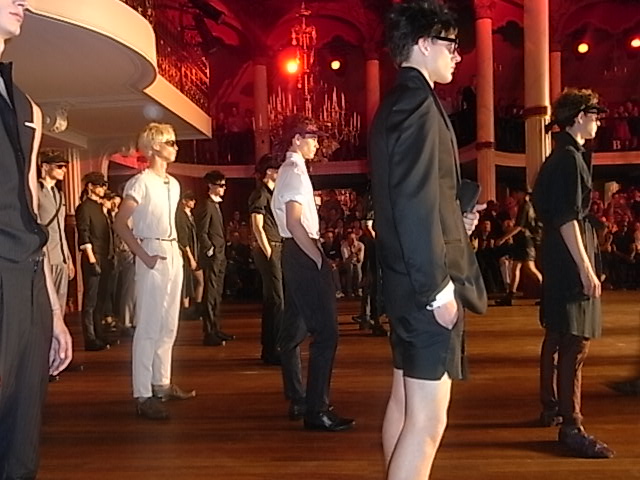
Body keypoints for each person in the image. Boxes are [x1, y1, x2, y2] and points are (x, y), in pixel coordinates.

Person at [369, 1, 487, 478]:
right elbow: (413, 205)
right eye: (450, 44)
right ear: (422, 43)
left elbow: (412, 197)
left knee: (404, 403)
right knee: (427, 420)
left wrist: (456, 222)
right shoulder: (418, 105)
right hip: (424, 286)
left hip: (403, 279)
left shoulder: (398, 102)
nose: (457, 55)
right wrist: (438, 292)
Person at [0, 1, 73, 476]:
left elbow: (31, 214)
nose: (21, 2)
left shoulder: (26, 105)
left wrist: (53, 311)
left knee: (21, 442)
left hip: (26, 283)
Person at [532, 88, 614, 458]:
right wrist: (586, 268)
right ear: (579, 117)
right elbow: (568, 219)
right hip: (568, 257)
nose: (598, 122)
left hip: (557, 254)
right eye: (594, 115)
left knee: (558, 335)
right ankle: (572, 425)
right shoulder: (568, 160)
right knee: (575, 342)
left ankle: (553, 407)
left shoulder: (559, 157)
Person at [272, 114, 355, 431]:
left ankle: (303, 400)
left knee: (295, 330)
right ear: (297, 139)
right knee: (326, 333)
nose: (317, 144)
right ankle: (316, 409)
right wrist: (318, 259)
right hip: (302, 251)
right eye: (313, 138)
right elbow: (294, 222)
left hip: (295, 252)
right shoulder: (294, 171)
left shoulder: (290, 170)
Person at [114, 122, 195, 421]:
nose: (175, 147)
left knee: (169, 324)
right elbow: (120, 223)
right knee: (148, 326)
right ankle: (143, 394)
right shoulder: (140, 182)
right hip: (151, 250)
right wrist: (144, 255)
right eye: (170, 142)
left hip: (172, 252)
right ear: (155, 146)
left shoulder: (173, 184)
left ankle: (161, 382)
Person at [248, 153, 284, 365]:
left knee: (274, 300)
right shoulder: (260, 194)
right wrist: (269, 252)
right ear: (270, 172)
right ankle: (272, 349)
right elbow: (257, 226)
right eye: (277, 170)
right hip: (269, 248)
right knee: (276, 299)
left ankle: (270, 348)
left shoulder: (271, 193)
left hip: (275, 247)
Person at [195, 169, 235, 346]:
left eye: (224, 185)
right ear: (211, 185)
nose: (224, 188)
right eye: (221, 185)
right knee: (210, 294)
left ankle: (216, 328)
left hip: (220, 254)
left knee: (217, 293)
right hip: (213, 256)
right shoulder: (206, 205)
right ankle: (209, 332)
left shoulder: (216, 205)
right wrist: (209, 249)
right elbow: (201, 231)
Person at [75, 171, 114, 351]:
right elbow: (84, 233)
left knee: (101, 299)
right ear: (90, 186)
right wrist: (91, 260)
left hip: (105, 256)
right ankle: (90, 338)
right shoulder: (84, 208)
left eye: (104, 185)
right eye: (100, 185)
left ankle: (100, 334)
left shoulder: (101, 208)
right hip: (93, 256)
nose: (103, 188)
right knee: (90, 300)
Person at [37, 151, 75, 316]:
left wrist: (68, 258)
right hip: (44, 255)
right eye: (59, 166)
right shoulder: (35, 191)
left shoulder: (60, 195)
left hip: (61, 257)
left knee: (60, 304)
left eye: (64, 167)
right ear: (45, 167)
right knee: (45, 305)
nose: (63, 170)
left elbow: (61, 229)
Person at [495, 184, 543, 306]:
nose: (514, 196)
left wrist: (503, 238)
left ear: (521, 193)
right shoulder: (525, 205)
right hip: (523, 241)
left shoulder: (525, 206)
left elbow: (519, 226)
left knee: (530, 269)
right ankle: (510, 296)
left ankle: (546, 293)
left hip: (525, 241)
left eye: (515, 193)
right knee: (516, 268)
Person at [176, 190, 203, 320]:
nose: (194, 202)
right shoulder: (181, 217)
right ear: (184, 201)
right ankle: (186, 309)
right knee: (187, 281)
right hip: (185, 253)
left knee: (199, 280)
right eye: (191, 199)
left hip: (194, 251)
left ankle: (196, 308)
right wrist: (191, 257)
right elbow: (183, 239)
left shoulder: (190, 216)